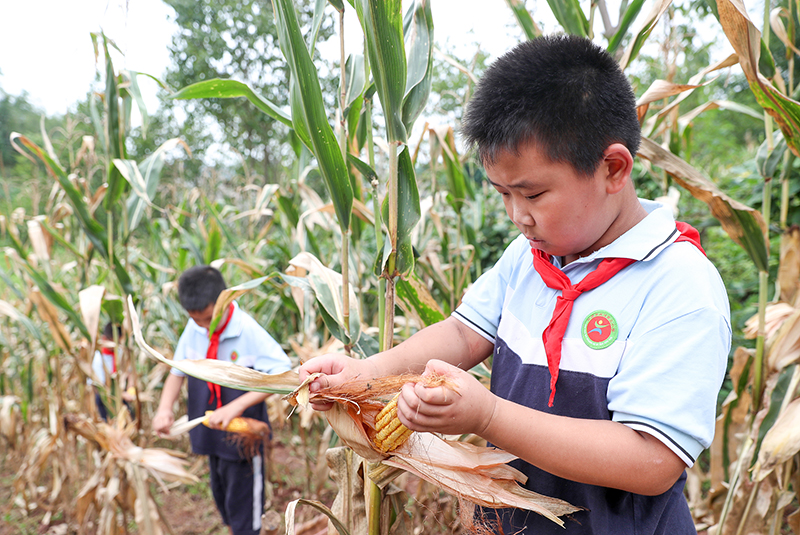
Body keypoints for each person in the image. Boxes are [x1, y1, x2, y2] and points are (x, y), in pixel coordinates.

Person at [300, 34, 731, 535]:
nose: (517, 217)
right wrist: (363, 374)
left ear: (612, 169)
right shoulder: (528, 258)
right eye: (502, 194)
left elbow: (651, 462)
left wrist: (486, 415)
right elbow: (464, 335)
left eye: (532, 193)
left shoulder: (678, 284)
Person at [153, 265, 292, 535]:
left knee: (245, 511)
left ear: (224, 300)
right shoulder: (194, 328)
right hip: (211, 435)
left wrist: (236, 406)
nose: (203, 327)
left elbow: (282, 374)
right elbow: (177, 370)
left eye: (207, 319)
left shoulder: (248, 331)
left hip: (244, 440)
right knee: (223, 500)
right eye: (196, 320)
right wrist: (164, 408)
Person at [88, 322, 134, 421]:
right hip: (106, 400)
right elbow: (100, 387)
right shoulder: (98, 359)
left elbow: (129, 373)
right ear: (105, 339)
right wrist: (122, 395)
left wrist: (130, 388)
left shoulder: (121, 353)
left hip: (123, 396)